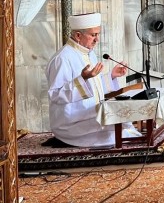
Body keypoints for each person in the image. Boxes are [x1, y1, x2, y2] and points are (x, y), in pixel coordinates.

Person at [46, 13, 141, 148]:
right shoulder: (62, 59)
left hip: (89, 112)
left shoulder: (88, 53)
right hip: (71, 122)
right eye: (93, 35)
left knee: (122, 124)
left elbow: (93, 87)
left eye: (98, 34)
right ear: (78, 36)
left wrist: (112, 76)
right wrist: (83, 78)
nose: (97, 39)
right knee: (118, 133)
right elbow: (55, 95)